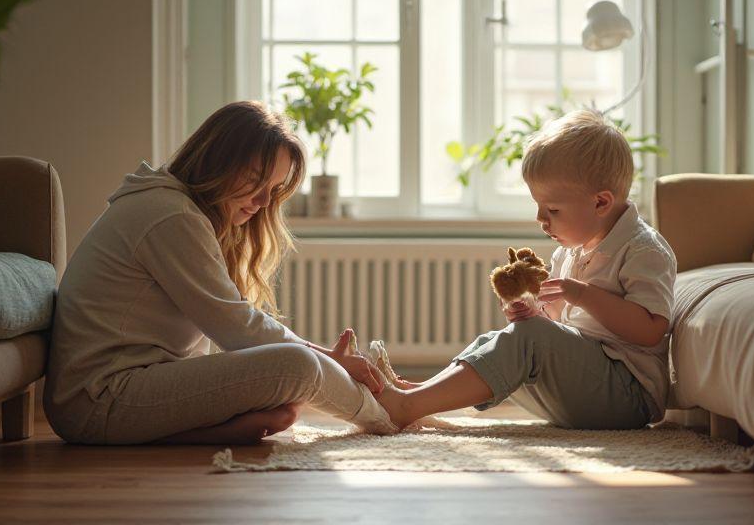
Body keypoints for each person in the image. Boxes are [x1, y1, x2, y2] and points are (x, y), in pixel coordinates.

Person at [44, 101, 397, 445]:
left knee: (282, 410)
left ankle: (198, 434)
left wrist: (327, 361)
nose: (262, 202)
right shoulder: (171, 216)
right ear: (218, 159)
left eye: (272, 190)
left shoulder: (175, 207)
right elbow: (237, 327)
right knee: (298, 366)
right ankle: (389, 412)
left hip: (111, 391)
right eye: (255, 179)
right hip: (99, 398)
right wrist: (326, 359)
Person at [378, 109, 677, 431]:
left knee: (530, 338)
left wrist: (582, 295)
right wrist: (534, 313)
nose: (540, 219)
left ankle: (409, 406)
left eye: (552, 209)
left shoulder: (643, 249)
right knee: (500, 338)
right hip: (586, 389)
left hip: (629, 396)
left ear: (601, 203)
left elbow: (651, 330)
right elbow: (557, 327)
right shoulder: (572, 251)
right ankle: (420, 394)